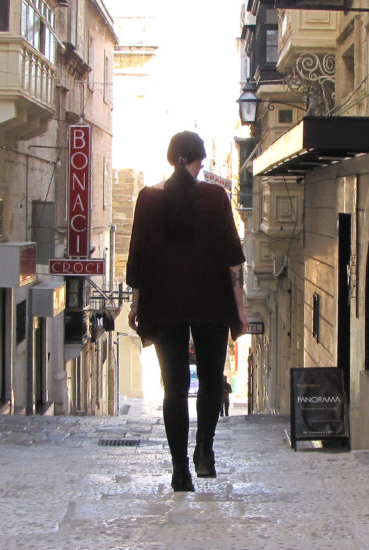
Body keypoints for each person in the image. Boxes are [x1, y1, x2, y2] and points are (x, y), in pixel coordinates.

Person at [127, 131, 247, 492]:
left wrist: (136, 304)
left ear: (170, 158)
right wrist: (239, 310)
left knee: (174, 389)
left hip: (164, 304)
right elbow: (232, 260)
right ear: (196, 160)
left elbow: (138, 256)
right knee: (211, 380)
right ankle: (204, 451)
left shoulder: (148, 199)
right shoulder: (215, 196)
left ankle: (180, 470)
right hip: (210, 302)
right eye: (203, 159)